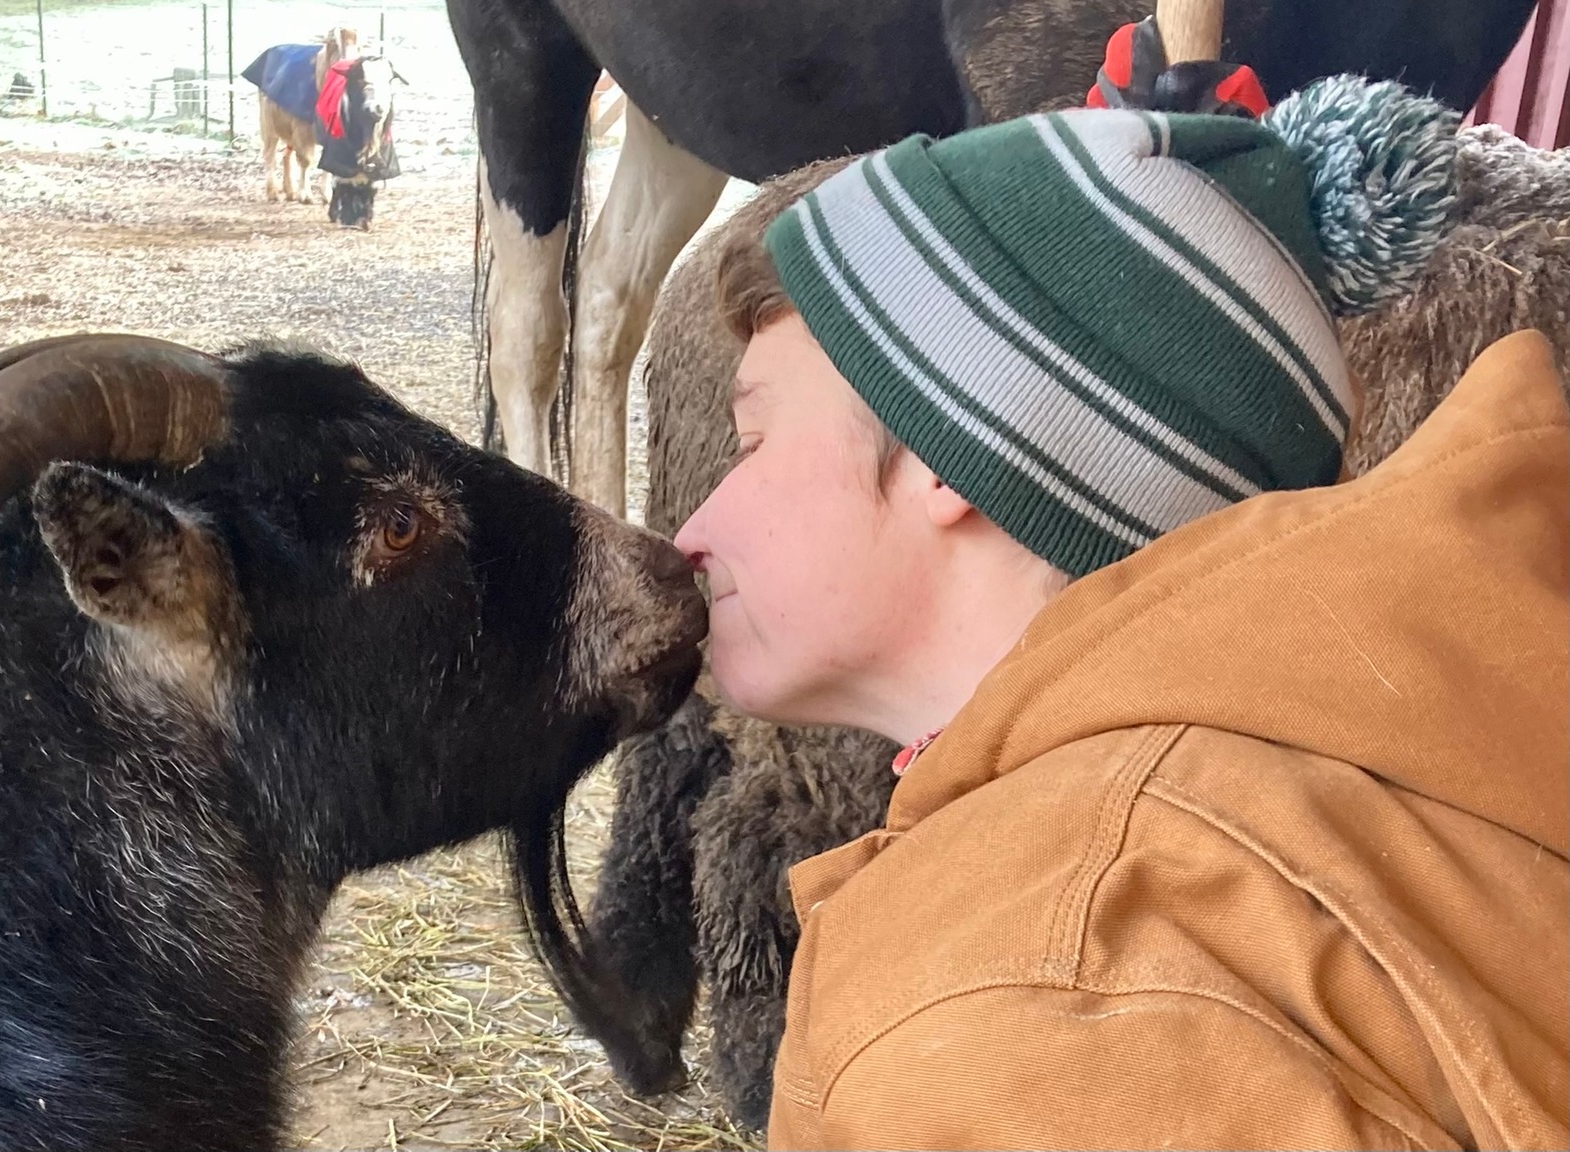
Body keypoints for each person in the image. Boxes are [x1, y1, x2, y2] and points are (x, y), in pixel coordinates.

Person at [672, 74, 1569, 1148]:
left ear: (957, 446)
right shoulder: (1324, 788)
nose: (692, 529)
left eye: (753, 442)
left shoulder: (1020, 1000)